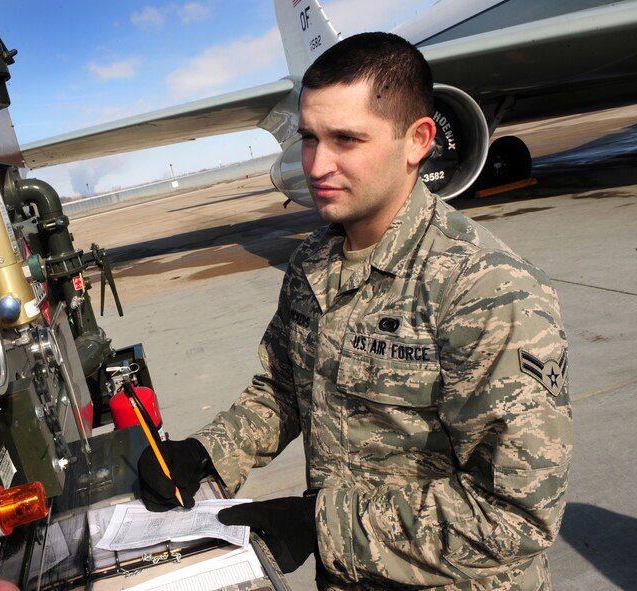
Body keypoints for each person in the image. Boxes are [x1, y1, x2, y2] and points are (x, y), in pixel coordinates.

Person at [138, 32, 572, 590]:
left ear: (417, 140)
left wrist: (322, 529)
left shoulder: (487, 289)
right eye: (309, 137)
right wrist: (208, 451)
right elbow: (283, 388)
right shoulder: (314, 263)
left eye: (346, 139)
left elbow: (516, 518)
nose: (317, 164)